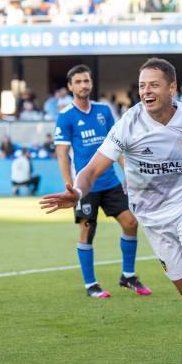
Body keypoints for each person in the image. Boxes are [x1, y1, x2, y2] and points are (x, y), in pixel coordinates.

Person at [40, 58, 182, 364]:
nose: (146, 91)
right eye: (142, 86)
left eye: (153, 85)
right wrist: (76, 191)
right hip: (153, 218)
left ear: (172, 88)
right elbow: (92, 169)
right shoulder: (128, 125)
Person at [53, 64, 152, 299]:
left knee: (130, 223)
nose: (83, 85)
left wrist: (128, 172)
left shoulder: (103, 111)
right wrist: (71, 187)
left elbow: (117, 145)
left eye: (86, 81)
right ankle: (91, 285)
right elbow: (62, 154)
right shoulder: (65, 116)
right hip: (84, 186)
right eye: (78, 82)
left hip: (110, 182)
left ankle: (128, 276)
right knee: (87, 231)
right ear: (70, 86)